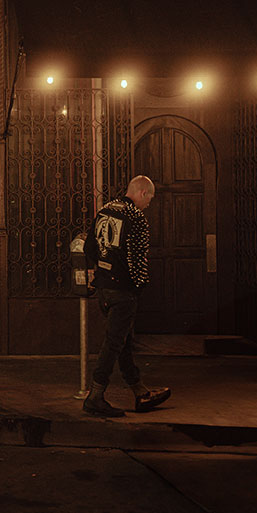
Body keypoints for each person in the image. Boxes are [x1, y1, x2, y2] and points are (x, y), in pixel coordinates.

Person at [81, 175, 171, 417]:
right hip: (123, 291)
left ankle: (140, 392)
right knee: (113, 343)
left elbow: (89, 248)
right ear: (142, 193)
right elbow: (138, 260)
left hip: (103, 288)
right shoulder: (136, 217)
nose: (149, 204)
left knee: (120, 341)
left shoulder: (105, 210)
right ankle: (95, 396)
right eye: (149, 199)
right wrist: (139, 286)